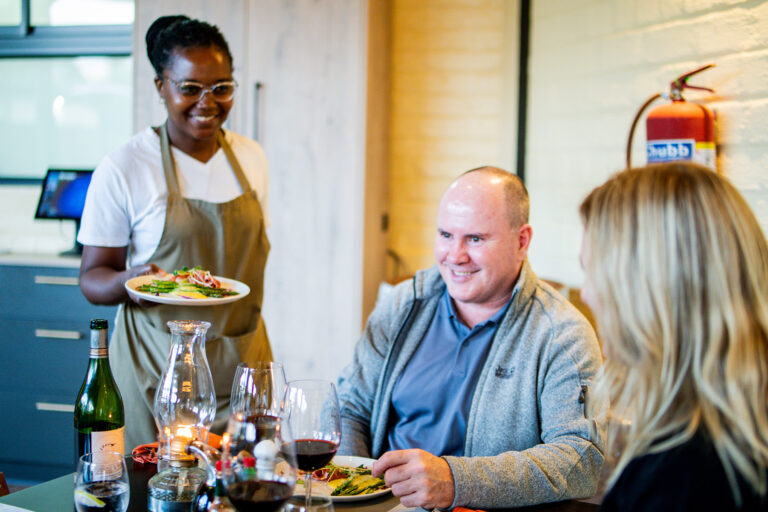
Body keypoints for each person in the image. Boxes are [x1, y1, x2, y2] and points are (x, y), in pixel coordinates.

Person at [336, 166, 604, 509]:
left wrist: (456, 481)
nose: (455, 255)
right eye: (446, 235)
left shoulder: (563, 335)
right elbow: (349, 406)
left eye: (475, 239)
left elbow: (581, 458)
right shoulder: (402, 305)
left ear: (522, 241)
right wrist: (358, 495)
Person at [77, 15, 272, 449]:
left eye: (221, 87)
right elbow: (92, 278)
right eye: (190, 88)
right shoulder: (126, 166)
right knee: (154, 480)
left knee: (249, 479)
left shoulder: (251, 158)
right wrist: (130, 282)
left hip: (242, 366)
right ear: (161, 86)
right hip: (157, 370)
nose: (208, 102)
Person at [579, 162, 768, 511]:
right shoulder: (736, 439)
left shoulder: (681, 479)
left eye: (594, 273)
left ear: (650, 292)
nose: (586, 294)